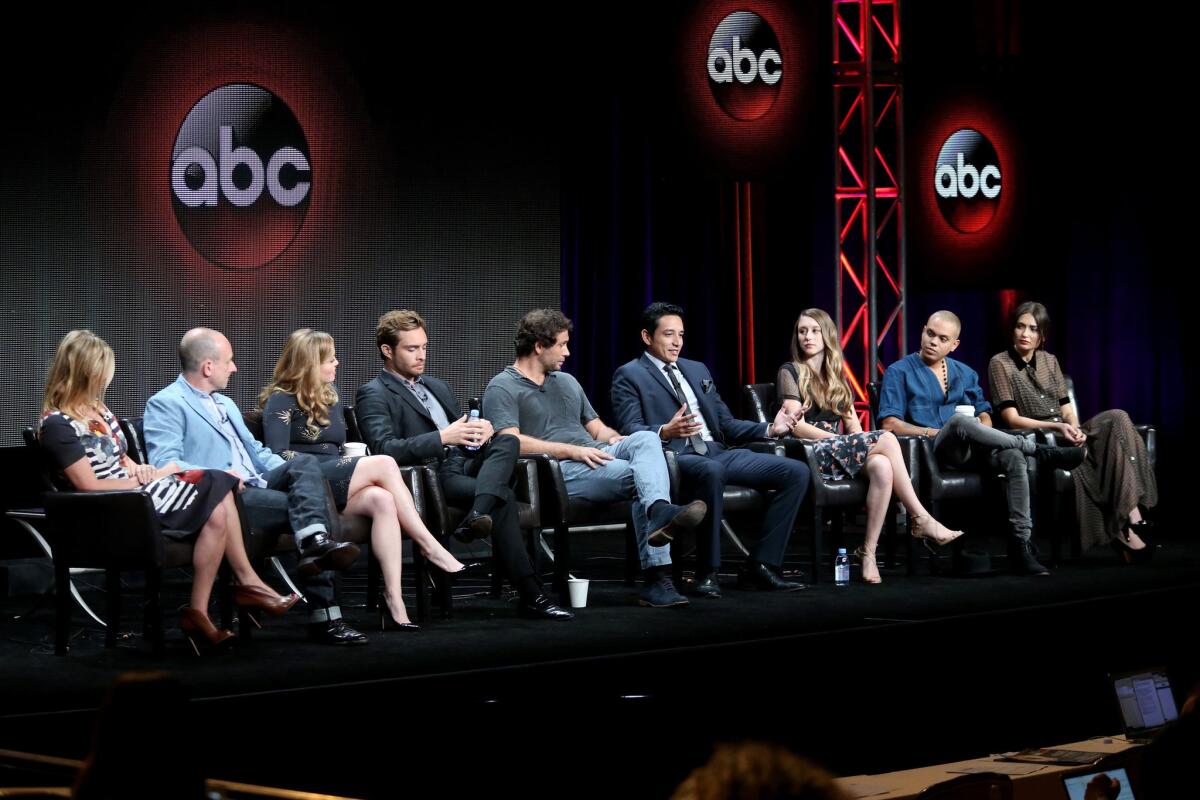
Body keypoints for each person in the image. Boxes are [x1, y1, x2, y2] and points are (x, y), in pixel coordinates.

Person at [38, 330, 296, 654]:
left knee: (218, 500)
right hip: (113, 508)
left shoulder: (98, 410)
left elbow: (120, 458)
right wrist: (143, 481)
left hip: (136, 491)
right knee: (217, 481)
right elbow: (88, 484)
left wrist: (140, 469)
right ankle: (248, 583)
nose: (106, 380)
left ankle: (198, 613)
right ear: (85, 372)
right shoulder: (58, 425)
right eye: (102, 372)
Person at [144, 327, 367, 646]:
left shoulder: (225, 404)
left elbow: (258, 452)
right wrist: (219, 473)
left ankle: (313, 542)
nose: (234, 368)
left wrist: (297, 474)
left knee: (305, 468)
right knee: (315, 508)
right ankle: (326, 615)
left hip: (259, 481)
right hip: (227, 496)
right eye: (229, 362)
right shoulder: (166, 403)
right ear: (208, 367)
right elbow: (167, 463)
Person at [354, 311, 573, 620]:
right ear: (387, 351)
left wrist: (480, 434)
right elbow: (383, 449)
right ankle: (531, 593)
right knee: (504, 498)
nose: (421, 356)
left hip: (464, 462)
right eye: (411, 349)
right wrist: (443, 437)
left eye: (424, 347)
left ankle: (479, 513)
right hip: (428, 476)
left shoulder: (438, 386)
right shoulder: (374, 393)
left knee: (507, 440)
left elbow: (464, 434)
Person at [484, 309, 707, 608]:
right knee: (644, 478)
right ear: (539, 345)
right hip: (557, 470)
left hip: (594, 454)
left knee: (647, 439)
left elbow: (598, 429)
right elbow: (510, 442)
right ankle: (658, 577)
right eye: (562, 344)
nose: (568, 351)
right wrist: (571, 450)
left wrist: (618, 440)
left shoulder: (566, 381)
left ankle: (659, 510)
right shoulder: (502, 386)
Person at [260, 328, 480, 631]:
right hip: (304, 479)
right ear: (309, 363)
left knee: (383, 500)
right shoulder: (280, 400)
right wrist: (342, 464)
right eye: (330, 359)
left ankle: (394, 599)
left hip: (335, 477)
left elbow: (339, 446)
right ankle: (430, 547)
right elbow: (276, 456)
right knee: (385, 462)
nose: (337, 363)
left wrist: (348, 461)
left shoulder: (330, 398)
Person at [611, 302, 808, 598]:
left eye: (681, 334)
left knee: (796, 472)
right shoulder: (629, 375)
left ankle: (763, 564)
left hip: (717, 450)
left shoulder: (696, 368)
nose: (677, 342)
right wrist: (665, 431)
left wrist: (770, 429)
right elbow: (630, 429)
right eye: (668, 334)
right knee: (711, 471)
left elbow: (726, 423)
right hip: (676, 457)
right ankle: (707, 571)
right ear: (646, 336)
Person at [877, 311, 1084, 575]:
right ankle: (1038, 450)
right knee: (959, 422)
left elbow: (985, 412)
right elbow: (889, 424)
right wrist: (936, 431)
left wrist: (981, 429)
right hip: (932, 450)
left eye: (942, 338)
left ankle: (1021, 544)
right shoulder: (899, 371)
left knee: (1012, 456)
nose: (933, 341)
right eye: (930, 333)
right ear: (922, 330)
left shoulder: (965, 373)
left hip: (972, 449)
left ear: (954, 345)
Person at [775, 308, 962, 584]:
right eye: (802, 331)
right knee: (885, 438)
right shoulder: (789, 371)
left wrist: (861, 446)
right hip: (808, 451)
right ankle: (920, 517)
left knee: (882, 465)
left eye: (814, 330)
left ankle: (868, 554)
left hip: (837, 449)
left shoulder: (837, 375)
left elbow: (853, 428)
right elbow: (795, 426)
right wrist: (846, 442)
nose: (807, 337)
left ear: (827, 335)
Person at [987, 301, 1158, 562]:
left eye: (1033, 329)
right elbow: (1011, 419)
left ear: (1042, 335)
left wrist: (1075, 430)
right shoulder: (1000, 363)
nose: (1025, 334)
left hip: (1066, 429)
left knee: (1118, 419)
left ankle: (1131, 515)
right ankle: (1129, 523)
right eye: (1020, 327)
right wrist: (1058, 427)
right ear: (1012, 330)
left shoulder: (1049, 361)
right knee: (1104, 449)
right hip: (1040, 437)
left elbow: (1066, 408)